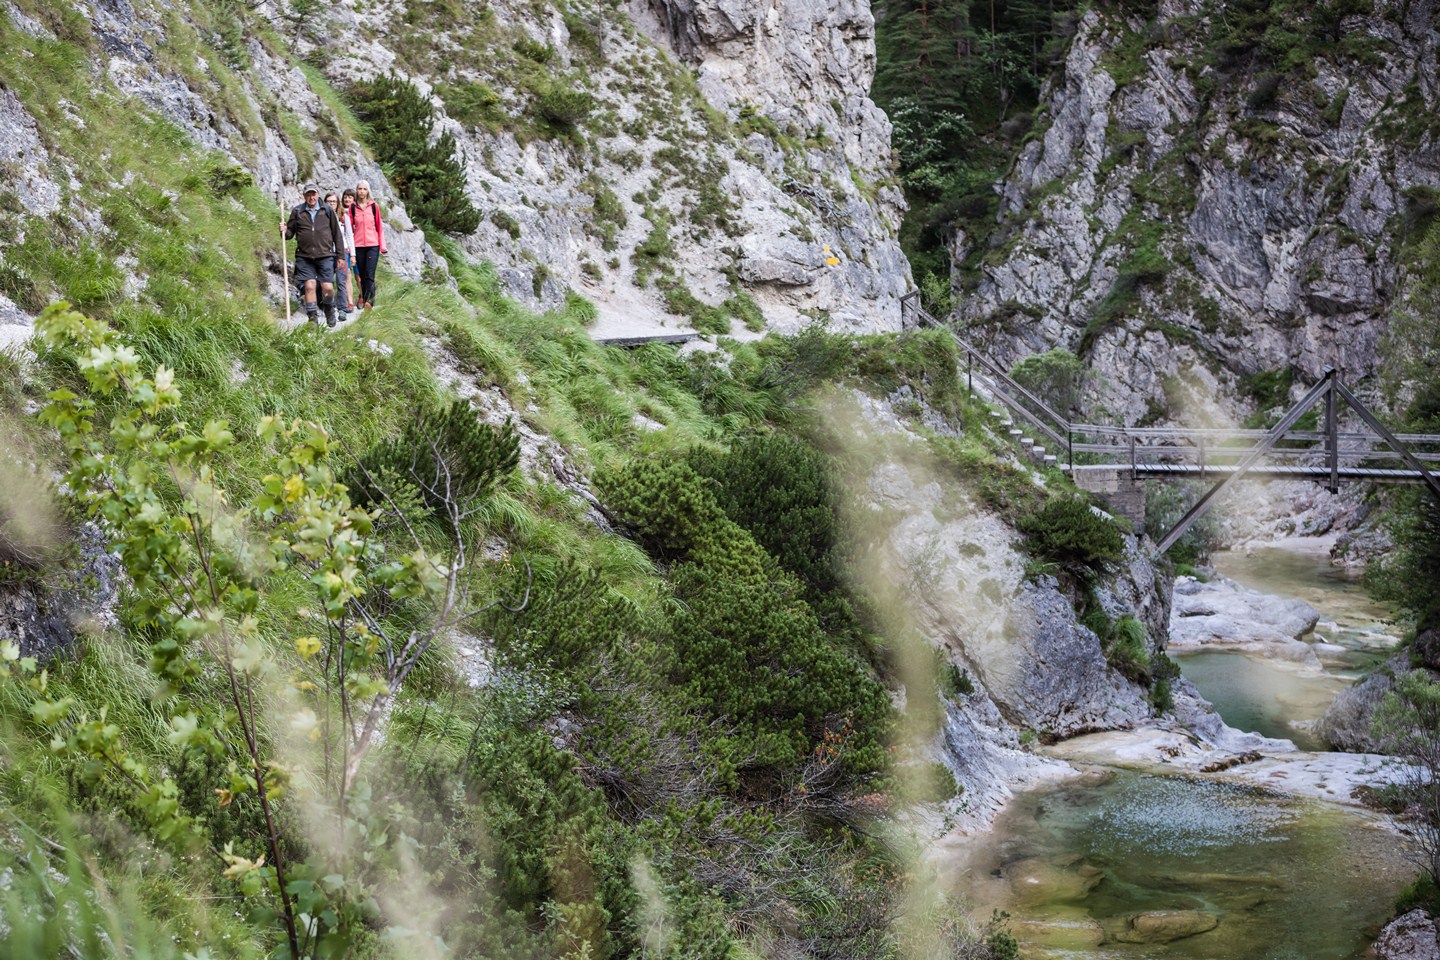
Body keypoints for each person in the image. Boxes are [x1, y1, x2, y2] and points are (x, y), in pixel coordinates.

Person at [282, 184, 341, 327]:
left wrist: (340, 256)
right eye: (308, 194)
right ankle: (312, 319)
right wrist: (284, 230)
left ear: (318, 194)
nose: (311, 197)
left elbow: (337, 234)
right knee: (309, 285)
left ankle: (328, 309)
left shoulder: (327, 210)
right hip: (304, 256)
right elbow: (289, 234)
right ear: (304, 196)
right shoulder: (298, 212)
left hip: (325, 255)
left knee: (327, 287)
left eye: (313, 194)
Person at [350, 180, 386, 309]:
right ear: (356, 190)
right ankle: (366, 299)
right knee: (363, 275)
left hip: (372, 245)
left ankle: (369, 302)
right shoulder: (353, 207)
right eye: (359, 189)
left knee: (370, 274)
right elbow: (350, 229)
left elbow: (379, 226)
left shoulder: (373, 206)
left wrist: (382, 246)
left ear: (368, 191)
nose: (361, 191)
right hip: (358, 245)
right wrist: (350, 247)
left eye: (364, 189)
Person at [326, 190, 356, 318]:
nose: (331, 203)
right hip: (326, 251)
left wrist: (353, 254)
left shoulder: (344, 217)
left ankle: (342, 308)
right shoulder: (321, 216)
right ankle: (329, 306)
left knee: (341, 280)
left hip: (342, 251)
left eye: (334, 201)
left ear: (337, 203)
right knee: (327, 280)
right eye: (329, 201)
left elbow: (349, 235)